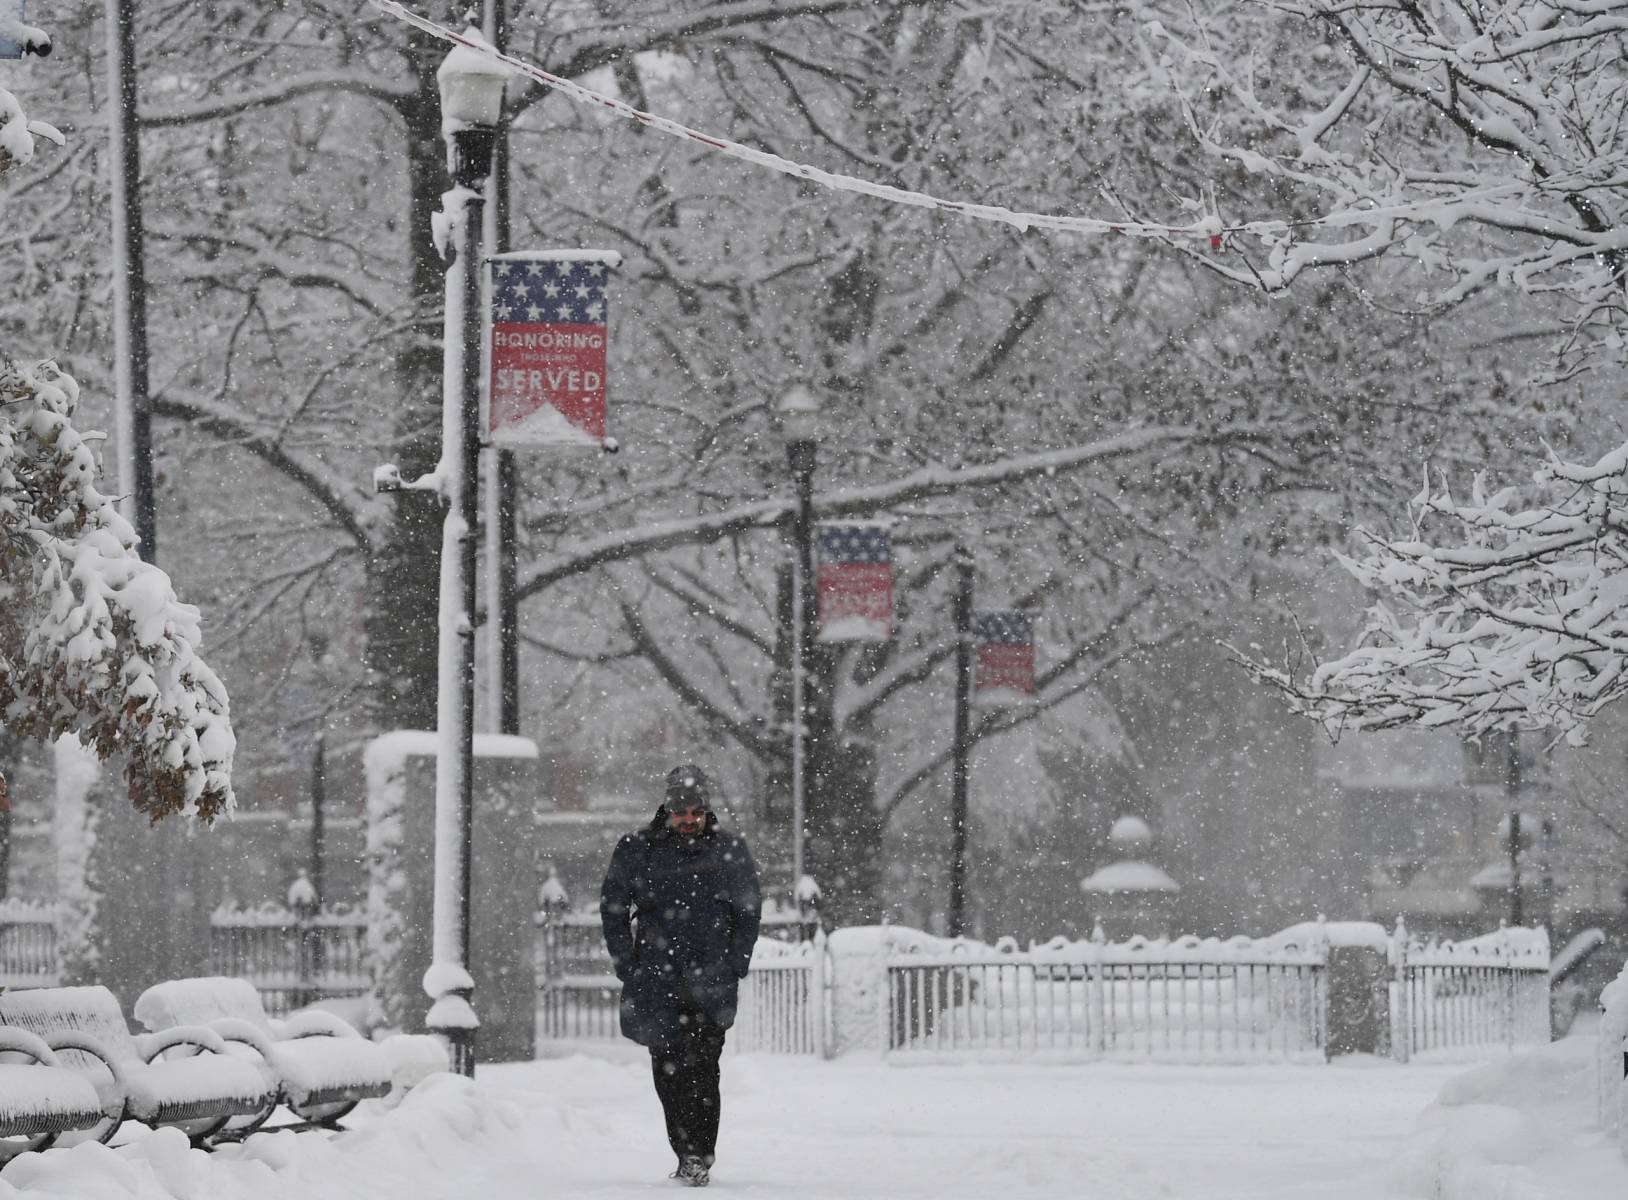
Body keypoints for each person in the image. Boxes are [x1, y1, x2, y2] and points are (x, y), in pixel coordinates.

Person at [600, 764, 762, 1188]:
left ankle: (699, 1155)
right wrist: (627, 964)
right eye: (681, 812)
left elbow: (748, 912)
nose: (689, 820)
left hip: (711, 982)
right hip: (656, 980)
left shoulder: (730, 851)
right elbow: (613, 908)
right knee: (668, 1070)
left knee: (705, 1069)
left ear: (707, 811)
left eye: (696, 812)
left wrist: (734, 963)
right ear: (667, 810)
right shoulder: (637, 849)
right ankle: (685, 1149)